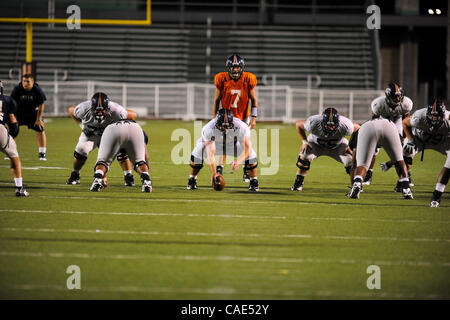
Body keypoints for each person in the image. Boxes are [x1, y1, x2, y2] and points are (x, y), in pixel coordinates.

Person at [66, 92, 137, 186]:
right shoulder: (83, 108)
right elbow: (71, 111)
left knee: (121, 151)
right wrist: (81, 125)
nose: (100, 113)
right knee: (81, 150)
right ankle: (75, 174)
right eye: (96, 110)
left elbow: (132, 115)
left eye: (102, 110)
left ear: (108, 108)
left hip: (110, 134)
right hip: (91, 134)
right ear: (91, 107)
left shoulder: (117, 110)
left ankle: (128, 176)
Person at [187, 108, 259, 191]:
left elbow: (247, 148)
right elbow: (210, 153)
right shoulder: (208, 129)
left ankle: (254, 180)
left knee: (251, 154)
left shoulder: (241, 127)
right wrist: (214, 174)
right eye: (222, 126)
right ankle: (192, 179)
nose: (225, 129)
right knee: (199, 150)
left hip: (233, 145)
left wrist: (238, 161)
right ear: (216, 123)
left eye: (227, 126)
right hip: (216, 145)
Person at [213, 54, 258, 182]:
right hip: (226, 117)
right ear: (229, 68)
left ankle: (245, 169)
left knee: (244, 143)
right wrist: (214, 117)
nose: (236, 70)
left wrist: (253, 117)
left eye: (238, 67)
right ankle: (219, 168)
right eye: (233, 67)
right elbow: (216, 101)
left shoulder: (248, 79)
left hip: (243, 117)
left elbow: (254, 99)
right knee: (222, 142)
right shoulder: (222, 79)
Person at [290, 107, 360, 191]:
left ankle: (355, 187)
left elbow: (358, 129)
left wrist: (350, 146)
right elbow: (298, 124)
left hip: (338, 146)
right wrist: (304, 142)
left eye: (333, 125)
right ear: (322, 122)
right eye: (328, 125)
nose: (330, 128)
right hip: (316, 144)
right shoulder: (313, 122)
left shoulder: (346, 124)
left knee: (352, 162)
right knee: (304, 157)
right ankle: (298, 182)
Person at [348, 118, 413, 200]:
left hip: (368, 128)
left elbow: (354, 162)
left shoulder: (358, 133)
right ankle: (406, 189)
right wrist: (389, 163)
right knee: (399, 159)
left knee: (362, 164)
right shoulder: (395, 130)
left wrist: (354, 178)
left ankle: (357, 183)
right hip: (389, 126)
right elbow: (401, 156)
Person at [400, 99, 449, 207]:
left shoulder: (448, 120)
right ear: (427, 114)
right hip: (420, 140)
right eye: (432, 116)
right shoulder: (419, 116)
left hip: (442, 142)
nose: (435, 120)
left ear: (443, 115)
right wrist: (411, 140)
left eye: (437, 117)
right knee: (406, 149)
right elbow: (405, 123)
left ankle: (437, 194)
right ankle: (405, 179)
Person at [363, 82, 413, 186]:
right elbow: (374, 120)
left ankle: (405, 177)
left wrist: (403, 137)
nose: (398, 99)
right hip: (381, 122)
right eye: (395, 96)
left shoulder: (406, 103)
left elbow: (406, 120)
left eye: (399, 96)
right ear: (388, 96)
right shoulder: (379, 104)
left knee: (399, 152)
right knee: (373, 150)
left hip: (397, 123)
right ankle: (368, 174)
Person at [90, 119, 152, 193]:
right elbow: (146, 157)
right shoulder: (142, 134)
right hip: (135, 129)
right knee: (139, 161)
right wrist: (147, 175)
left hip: (113, 129)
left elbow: (102, 161)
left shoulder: (103, 133)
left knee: (103, 161)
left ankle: (97, 179)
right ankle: (146, 182)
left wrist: (103, 178)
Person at [0, 80, 29, 196]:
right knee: (14, 156)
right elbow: (13, 124)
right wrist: (11, 136)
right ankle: (19, 187)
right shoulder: (7, 100)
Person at [10, 74, 47, 161]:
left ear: (32, 82)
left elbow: (41, 104)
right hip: (19, 113)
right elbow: (11, 103)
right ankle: (11, 152)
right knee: (13, 130)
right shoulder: (17, 89)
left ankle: (42, 153)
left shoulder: (37, 90)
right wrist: (12, 116)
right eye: (24, 81)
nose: (25, 83)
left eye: (28, 81)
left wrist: (38, 119)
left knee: (40, 129)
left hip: (33, 114)